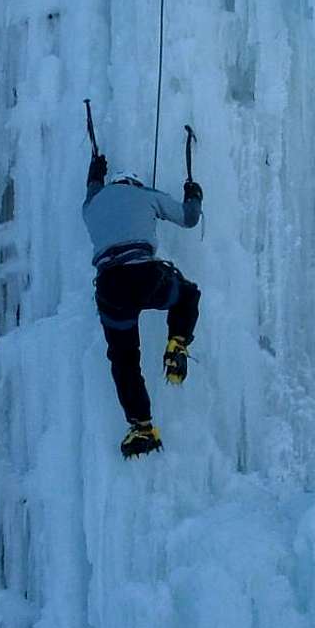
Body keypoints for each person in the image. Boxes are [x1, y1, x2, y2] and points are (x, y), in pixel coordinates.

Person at [83, 152, 203, 457]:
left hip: (110, 289)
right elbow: (188, 219)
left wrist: (95, 170)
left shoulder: (92, 206)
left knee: (123, 361)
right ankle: (177, 344)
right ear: (134, 183)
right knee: (186, 295)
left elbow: (92, 189)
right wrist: (193, 194)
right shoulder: (143, 194)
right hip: (144, 276)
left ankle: (142, 426)